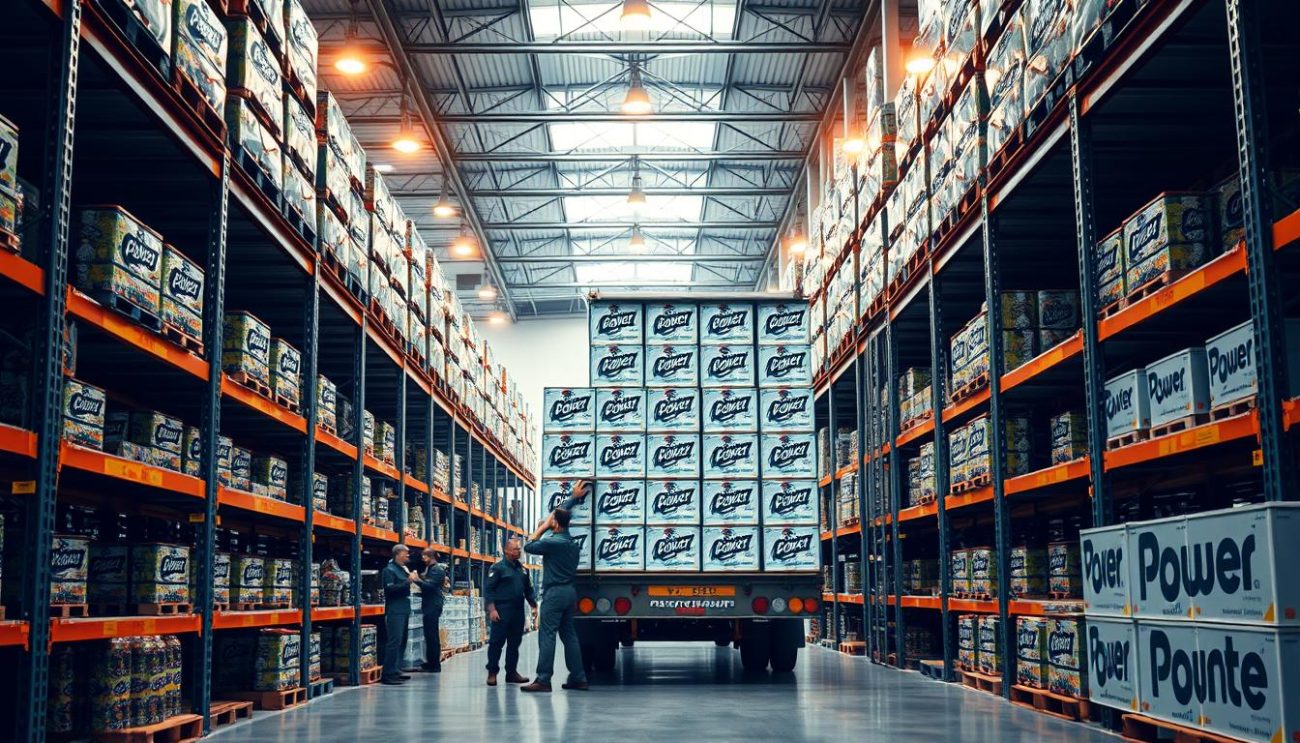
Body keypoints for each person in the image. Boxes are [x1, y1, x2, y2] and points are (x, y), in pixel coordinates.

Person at [520, 480, 591, 693]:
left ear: (556, 525)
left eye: (552, 522)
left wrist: (542, 527)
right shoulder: (572, 544)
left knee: (547, 634)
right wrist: (572, 499)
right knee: (569, 635)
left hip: (554, 594)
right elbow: (559, 514)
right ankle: (578, 677)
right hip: (570, 593)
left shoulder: (553, 543)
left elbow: (529, 545)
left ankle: (543, 679)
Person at [483, 538, 537, 686]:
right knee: (496, 643)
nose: (518, 551)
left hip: (517, 611)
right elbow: (489, 590)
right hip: (501, 610)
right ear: (506, 551)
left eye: (519, 549)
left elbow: (528, 590)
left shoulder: (523, 569)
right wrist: (492, 609)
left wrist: (533, 605)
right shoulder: (498, 568)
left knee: (514, 643)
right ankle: (492, 672)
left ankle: (511, 672)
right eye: (515, 549)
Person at [380, 543, 418, 685]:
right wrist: (408, 581)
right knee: (394, 642)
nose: (408, 555)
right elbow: (390, 590)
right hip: (395, 611)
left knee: (402, 642)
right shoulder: (389, 570)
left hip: (404, 609)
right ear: (398, 554)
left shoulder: (402, 570)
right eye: (405, 552)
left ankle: (396, 670)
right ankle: (388, 674)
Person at [415, 551, 449, 672]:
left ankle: (435, 665)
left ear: (431, 557)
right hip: (430, 605)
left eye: (424, 556)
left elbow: (430, 586)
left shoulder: (437, 570)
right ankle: (431, 663)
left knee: (432, 635)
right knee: (429, 635)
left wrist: (417, 580)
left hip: (433, 606)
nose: (423, 558)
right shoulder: (431, 569)